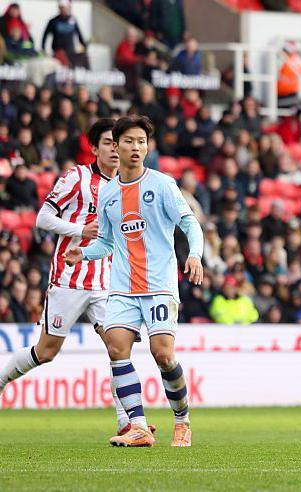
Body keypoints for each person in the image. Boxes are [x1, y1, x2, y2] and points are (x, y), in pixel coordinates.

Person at [64, 116, 204, 448]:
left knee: (163, 355)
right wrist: (82, 254)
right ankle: (138, 426)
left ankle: (182, 421)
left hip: (158, 285)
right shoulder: (109, 193)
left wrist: (195, 254)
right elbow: (108, 243)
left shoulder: (163, 184)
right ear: (117, 145)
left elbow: (191, 224)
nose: (136, 147)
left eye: (142, 141)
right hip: (123, 287)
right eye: (129, 141)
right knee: (116, 347)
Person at [0, 119, 135, 436]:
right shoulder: (77, 177)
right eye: (107, 143)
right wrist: (80, 231)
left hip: (104, 284)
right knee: (45, 353)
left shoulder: (127, 186)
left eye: (118, 143)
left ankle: (127, 423)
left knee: (119, 349)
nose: (115, 149)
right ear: (94, 147)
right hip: (69, 281)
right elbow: (43, 218)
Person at [41, 0, 87, 67]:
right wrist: (43, 48)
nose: (64, 9)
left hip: (71, 53)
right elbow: (45, 35)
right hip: (58, 52)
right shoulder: (53, 21)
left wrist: (85, 46)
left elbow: (79, 35)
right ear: (59, 8)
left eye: (65, 7)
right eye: (62, 7)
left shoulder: (73, 20)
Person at [277, 41, 301, 108]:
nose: (284, 52)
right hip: (282, 95)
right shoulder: (284, 60)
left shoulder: (294, 60)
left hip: (290, 95)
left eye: (286, 51)